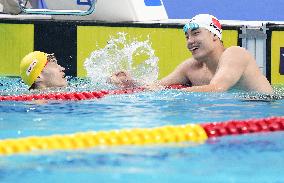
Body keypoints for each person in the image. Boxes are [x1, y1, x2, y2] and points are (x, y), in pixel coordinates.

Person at [109, 14, 274, 94]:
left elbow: (217, 88)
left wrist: (170, 94)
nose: (190, 41)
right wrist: (130, 83)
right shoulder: (191, 68)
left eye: (196, 34)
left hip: (267, 114)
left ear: (215, 35)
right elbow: (156, 86)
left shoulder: (235, 54)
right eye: (187, 37)